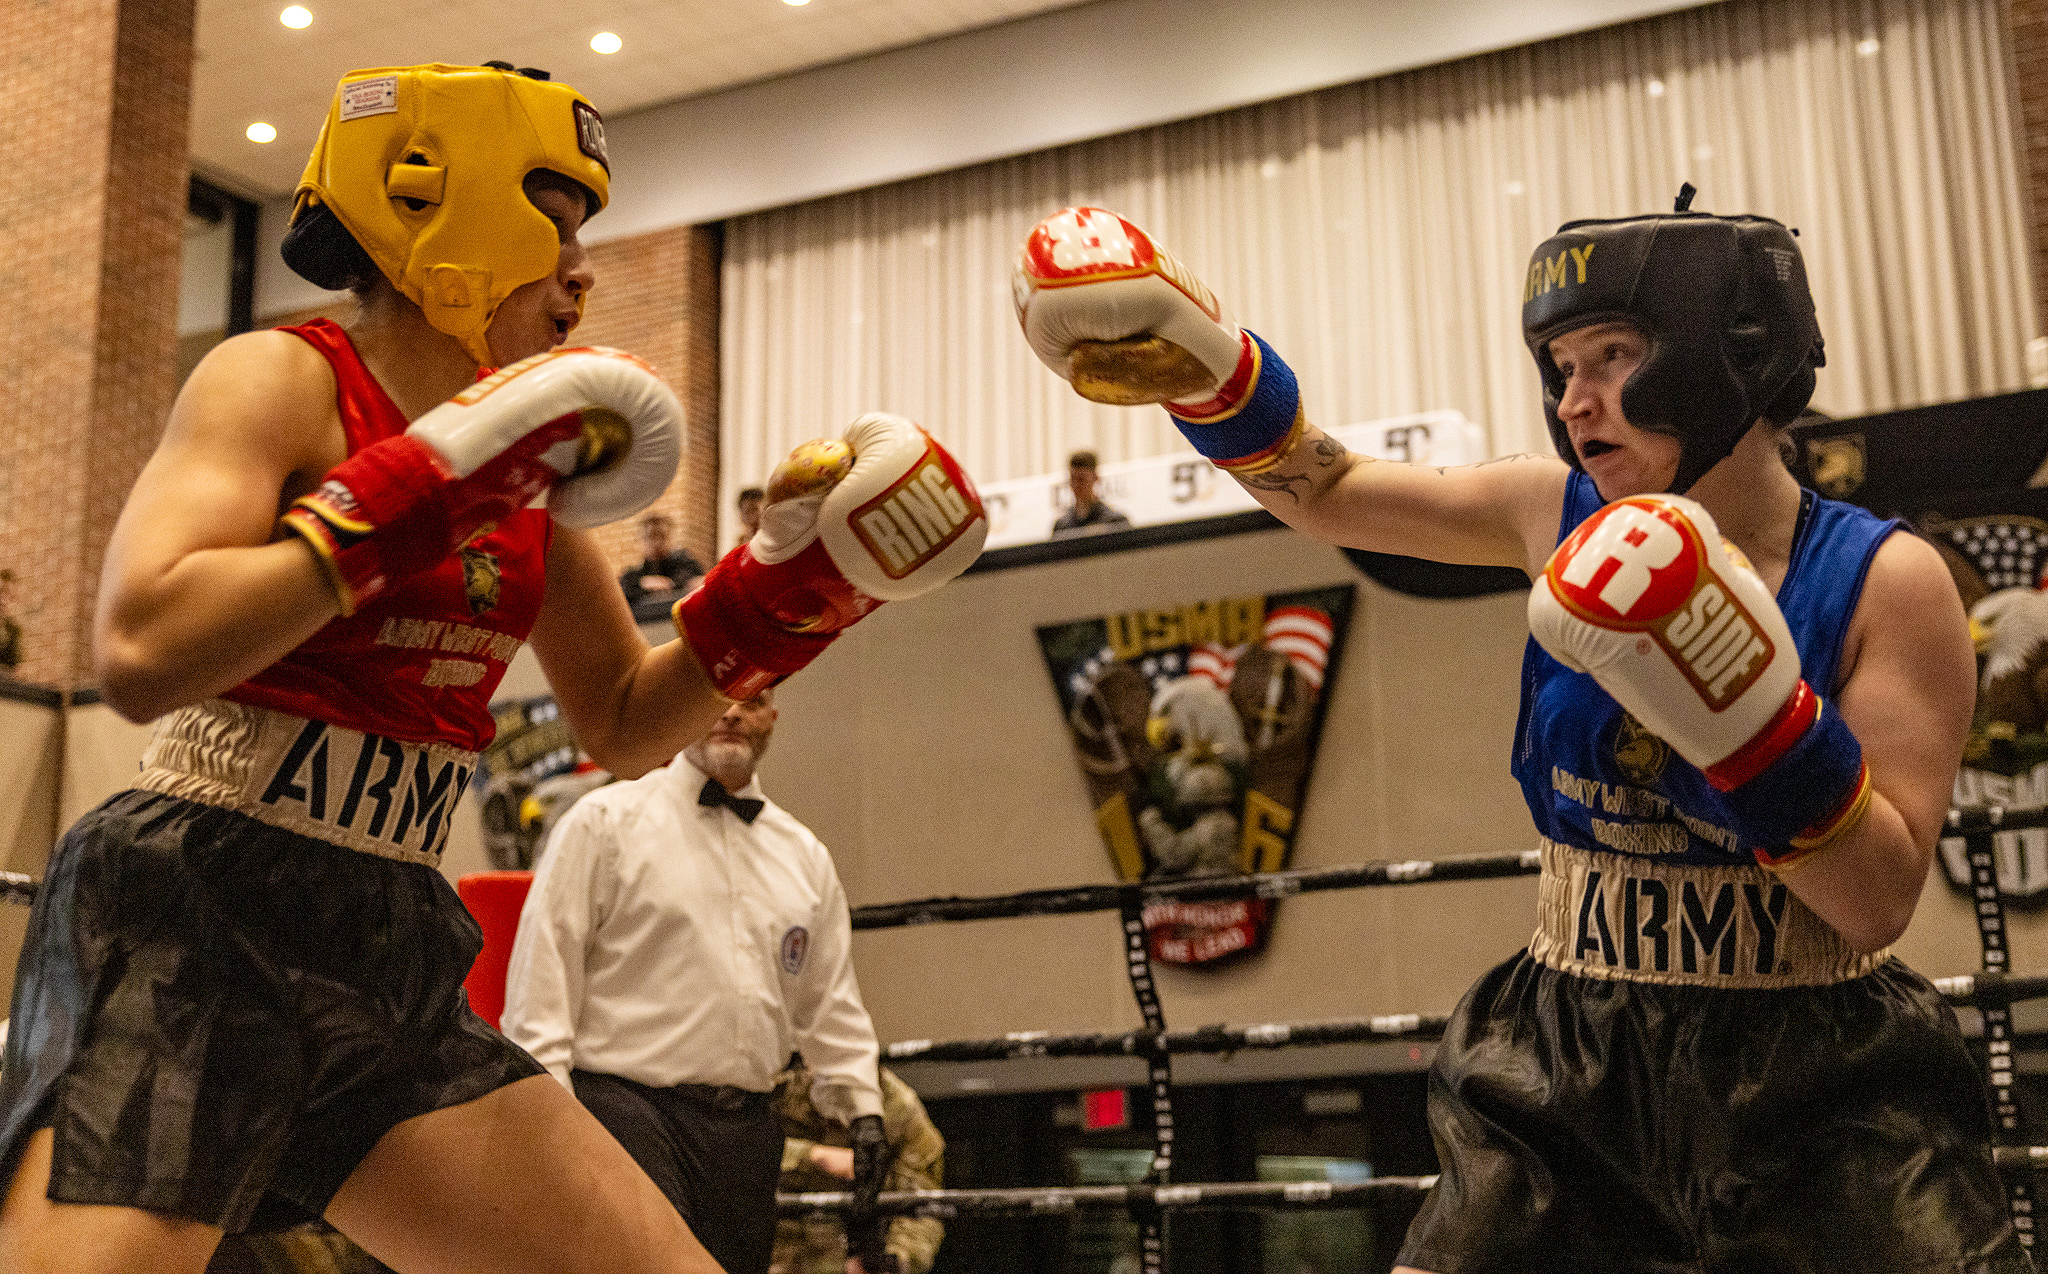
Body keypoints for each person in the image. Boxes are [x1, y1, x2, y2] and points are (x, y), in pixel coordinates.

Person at [0, 61, 984, 1274]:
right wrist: (425, 485)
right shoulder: (283, 377)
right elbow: (142, 647)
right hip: (198, 906)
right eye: (554, 223)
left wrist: (792, 591)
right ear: (428, 200)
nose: (580, 270)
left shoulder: (532, 471)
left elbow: (624, 720)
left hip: (388, 930)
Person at [1014, 200, 2021, 1272]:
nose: (1575, 400)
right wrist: (1203, 371)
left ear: (1729, 353)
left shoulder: (1888, 580)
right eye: (1560, 365)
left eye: (1614, 356)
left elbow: (1875, 899)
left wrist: (1748, 720)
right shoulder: (1552, 509)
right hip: (1569, 1047)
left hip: (1818, 1080)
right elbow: (1331, 490)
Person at [501, 689, 899, 1274]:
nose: (733, 711)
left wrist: (862, 1111)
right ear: (682, 707)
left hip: (745, 1130)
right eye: (718, 696)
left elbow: (829, 1002)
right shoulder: (603, 822)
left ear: (772, 717)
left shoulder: (804, 855)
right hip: (626, 1111)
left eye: (753, 699)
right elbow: (543, 976)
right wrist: (550, 1119)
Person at [771, 1057, 945, 1274]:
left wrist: (894, 1262)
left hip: (857, 1253)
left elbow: (922, 1205)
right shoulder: (779, 1088)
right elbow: (739, 1151)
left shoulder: (902, 1111)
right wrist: (810, 1155)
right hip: (775, 1250)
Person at [619, 512, 706, 604]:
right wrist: (642, 583)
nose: (656, 542)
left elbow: (693, 580)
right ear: (640, 540)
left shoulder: (687, 566)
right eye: (651, 536)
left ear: (670, 538)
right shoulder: (631, 578)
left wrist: (671, 584)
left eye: (661, 536)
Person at [1049, 450, 1131, 537]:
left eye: (1081, 479)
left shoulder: (1115, 522)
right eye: (1072, 479)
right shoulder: (1061, 527)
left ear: (1095, 478)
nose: (1076, 485)